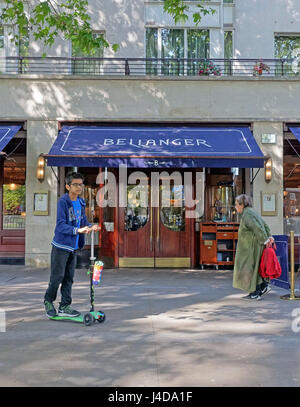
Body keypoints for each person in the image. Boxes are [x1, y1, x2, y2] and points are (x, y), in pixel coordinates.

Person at [44, 172, 100, 318]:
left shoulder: (81, 202)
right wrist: (77, 230)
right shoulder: (63, 202)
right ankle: (48, 301)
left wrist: (91, 226)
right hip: (61, 247)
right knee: (57, 277)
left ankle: (64, 306)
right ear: (68, 186)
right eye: (76, 184)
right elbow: (61, 225)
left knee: (69, 278)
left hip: (73, 248)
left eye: (81, 184)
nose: (79, 187)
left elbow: (83, 222)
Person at [233, 194, 274, 300]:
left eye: (236, 204)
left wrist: (265, 240)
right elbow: (264, 225)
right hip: (254, 245)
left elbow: (257, 228)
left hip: (251, 247)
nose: (235, 206)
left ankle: (255, 292)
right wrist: (268, 237)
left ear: (242, 205)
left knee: (249, 268)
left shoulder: (247, 214)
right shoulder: (252, 212)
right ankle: (262, 287)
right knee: (255, 267)